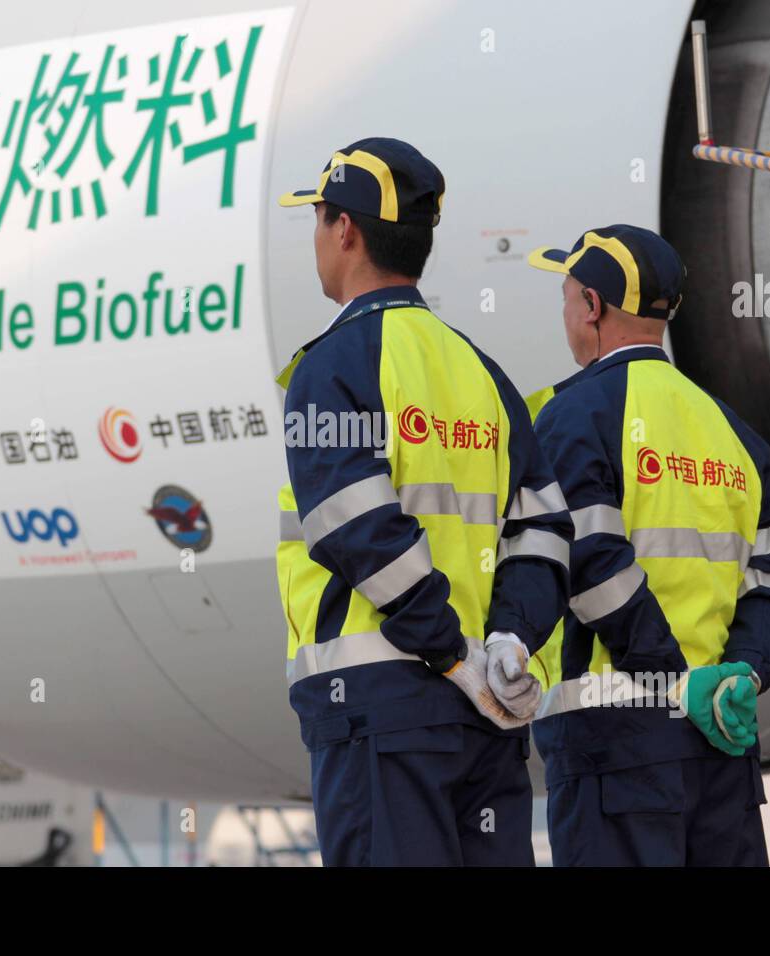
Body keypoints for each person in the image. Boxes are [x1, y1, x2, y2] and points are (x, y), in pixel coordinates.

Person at [274, 137, 572, 865]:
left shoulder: (334, 365)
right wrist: (506, 644)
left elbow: (355, 524)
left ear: (345, 229)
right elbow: (544, 533)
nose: (316, 238)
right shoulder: (485, 374)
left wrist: (447, 650)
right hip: (486, 716)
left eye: (318, 219)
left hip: (381, 710)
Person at [523, 224, 770, 866]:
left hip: (616, 752)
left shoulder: (572, 416)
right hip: (724, 747)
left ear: (591, 305)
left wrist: (676, 684)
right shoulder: (731, 430)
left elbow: (591, 565)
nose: (565, 312)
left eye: (566, 294)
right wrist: (738, 677)